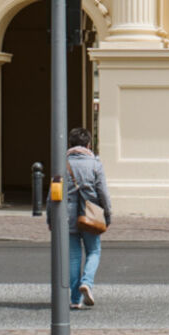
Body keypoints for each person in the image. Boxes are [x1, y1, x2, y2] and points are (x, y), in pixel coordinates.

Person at [65, 127, 110, 309]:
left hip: (67, 217)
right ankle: (87, 283)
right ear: (88, 144)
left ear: (70, 144)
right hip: (90, 214)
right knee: (94, 251)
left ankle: (75, 299)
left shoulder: (62, 164)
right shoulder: (95, 164)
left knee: (74, 257)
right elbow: (103, 193)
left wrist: (51, 219)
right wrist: (108, 215)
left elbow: (52, 195)